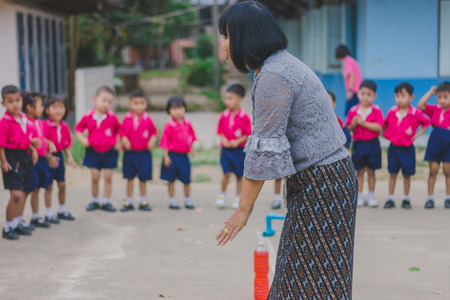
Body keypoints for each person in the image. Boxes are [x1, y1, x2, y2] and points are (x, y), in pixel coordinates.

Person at [214, 2, 357, 299]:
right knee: (312, 280)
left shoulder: (273, 75)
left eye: (226, 36)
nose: (223, 44)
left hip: (324, 184)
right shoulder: (277, 66)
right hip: (325, 179)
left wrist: (243, 210)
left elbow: (265, 147)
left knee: (304, 282)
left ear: (244, 36)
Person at [383, 82, 430, 209]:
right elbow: (384, 125)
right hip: (393, 148)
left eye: (403, 96)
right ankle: (390, 198)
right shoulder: (392, 111)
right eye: (397, 96)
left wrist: (417, 135)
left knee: (407, 174)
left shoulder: (415, 113)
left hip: (407, 149)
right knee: (392, 173)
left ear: (411, 97)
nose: (400, 99)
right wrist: (386, 135)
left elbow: (426, 123)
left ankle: (405, 198)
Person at [0, 85, 38, 240]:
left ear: (21, 100)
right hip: (11, 158)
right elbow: (1, 145)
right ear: (4, 103)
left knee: (21, 193)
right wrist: (4, 162)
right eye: (10, 101)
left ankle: (16, 224)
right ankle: (7, 227)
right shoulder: (4, 122)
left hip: (24, 156)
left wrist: (33, 150)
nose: (15, 104)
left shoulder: (23, 119)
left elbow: (24, 139)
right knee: (15, 194)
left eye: (17, 100)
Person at [75, 86, 121, 212]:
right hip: (93, 151)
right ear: (95, 99)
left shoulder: (112, 117)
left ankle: (106, 201)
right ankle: (95, 200)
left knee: (108, 177)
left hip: (109, 151)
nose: (107, 104)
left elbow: (119, 130)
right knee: (95, 177)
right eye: (104, 100)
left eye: (110, 102)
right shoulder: (88, 115)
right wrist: (83, 140)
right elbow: (78, 129)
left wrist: (118, 141)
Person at [346, 80, 384, 208]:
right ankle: (360, 195)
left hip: (373, 144)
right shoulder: (353, 111)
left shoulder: (376, 110)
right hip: (358, 144)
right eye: (363, 94)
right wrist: (355, 124)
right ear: (358, 95)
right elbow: (349, 128)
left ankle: (372, 195)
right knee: (359, 171)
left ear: (374, 96)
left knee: (371, 171)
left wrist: (363, 123)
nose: (366, 97)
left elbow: (379, 127)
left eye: (369, 94)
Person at [22, 92, 56, 228]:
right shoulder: (25, 122)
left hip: (42, 159)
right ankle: (19, 219)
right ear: (30, 107)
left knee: (37, 188)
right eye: (41, 105)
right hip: (31, 160)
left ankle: (36, 216)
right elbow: (24, 140)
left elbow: (41, 138)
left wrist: (48, 143)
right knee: (29, 189)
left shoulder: (39, 121)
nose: (43, 108)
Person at [119, 90, 157, 212]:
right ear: (130, 104)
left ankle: (143, 200)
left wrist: (152, 141)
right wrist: (124, 139)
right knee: (129, 177)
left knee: (143, 178)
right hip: (130, 153)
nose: (139, 106)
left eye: (142, 103)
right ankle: (129, 200)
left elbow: (154, 132)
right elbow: (121, 131)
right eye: (136, 103)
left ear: (146, 104)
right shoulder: (126, 118)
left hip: (144, 153)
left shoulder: (148, 119)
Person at [216, 84, 252, 209]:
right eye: (226, 98)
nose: (227, 101)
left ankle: (237, 197)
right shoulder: (223, 115)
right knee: (226, 174)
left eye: (230, 98)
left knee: (239, 175)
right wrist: (224, 140)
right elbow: (220, 132)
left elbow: (248, 134)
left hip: (239, 151)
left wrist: (237, 141)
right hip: (226, 150)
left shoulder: (245, 116)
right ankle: (222, 195)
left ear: (239, 99)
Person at [42, 95, 77, 222]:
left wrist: (70, 158)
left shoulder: (64, 126)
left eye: (61, 107)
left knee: (62, 185)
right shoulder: (44, 125)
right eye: (54, 107)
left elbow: (67, 145)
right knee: (49, 187)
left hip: (60, 157)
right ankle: (48, 213)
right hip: (48, 158)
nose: (58, 110)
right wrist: (48, 154)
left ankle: (62, 210)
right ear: (47, 110)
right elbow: (40, 140)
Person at [159, 96, 197, 210]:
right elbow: (165, 142)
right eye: (174, 109)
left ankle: (187, 200)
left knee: (186, 179)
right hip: (172, 155)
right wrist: (165, 156)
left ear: (184, 108)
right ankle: (172, 200)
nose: (178, 111)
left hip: (184, 156)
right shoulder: (169, 125)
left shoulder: (187, 123)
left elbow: (192, 136)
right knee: (171, 179)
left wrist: (192, 148)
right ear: (169, 110)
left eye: (180, 108)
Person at [418, 81, 450, 209]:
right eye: (439, 97)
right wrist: (431, 92)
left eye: (445, 97)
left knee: (448, 172)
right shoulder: (435, 109)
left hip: (448, 143)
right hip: (435, 142)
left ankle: (448, 198)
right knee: (433, 171)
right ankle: (430, 198)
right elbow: (421, 105)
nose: (442, 100)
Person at [336, 45, 363, 116]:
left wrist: (350, 91)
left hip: (354, 91)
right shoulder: (351, 60)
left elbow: (351, 75)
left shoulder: (347, 61)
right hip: (357, 90)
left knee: (351, 113)